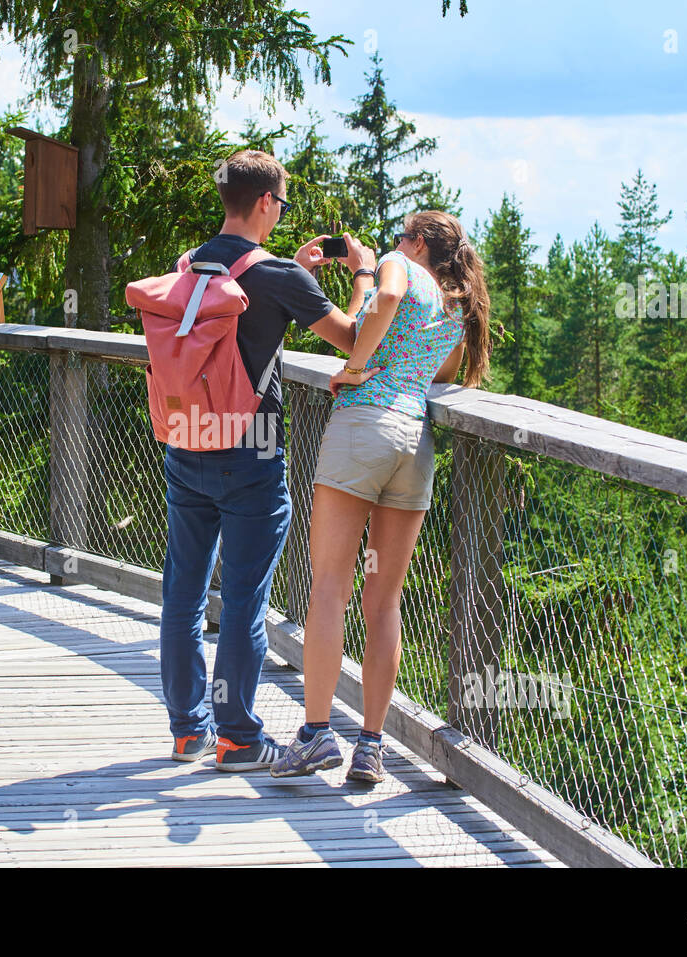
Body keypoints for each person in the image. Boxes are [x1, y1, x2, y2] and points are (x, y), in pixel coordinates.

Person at [161, 149, 377, 771]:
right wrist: (359, 274)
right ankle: (240, 739)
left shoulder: (190, 264)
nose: (281, 213)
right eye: (280, 203)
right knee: (246, 598)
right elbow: (357, 340)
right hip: (251, 456)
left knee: (184, 591)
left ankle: (187, 731)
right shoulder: (278, 275)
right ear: (264, 203)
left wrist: (297, 273)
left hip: (186, 441)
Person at [270, 209, 491, 782]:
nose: (394, 246)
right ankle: (371, 745)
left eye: (400, 238)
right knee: (383, 600)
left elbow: (386, 301)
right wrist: (362, 280)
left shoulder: (400, 266)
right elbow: (441, 372)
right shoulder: (453, 298)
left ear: (415, 242)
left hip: (362, 429)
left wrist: (356, 365)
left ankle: (317, 735)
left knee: (328, 588)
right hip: (413, 446)